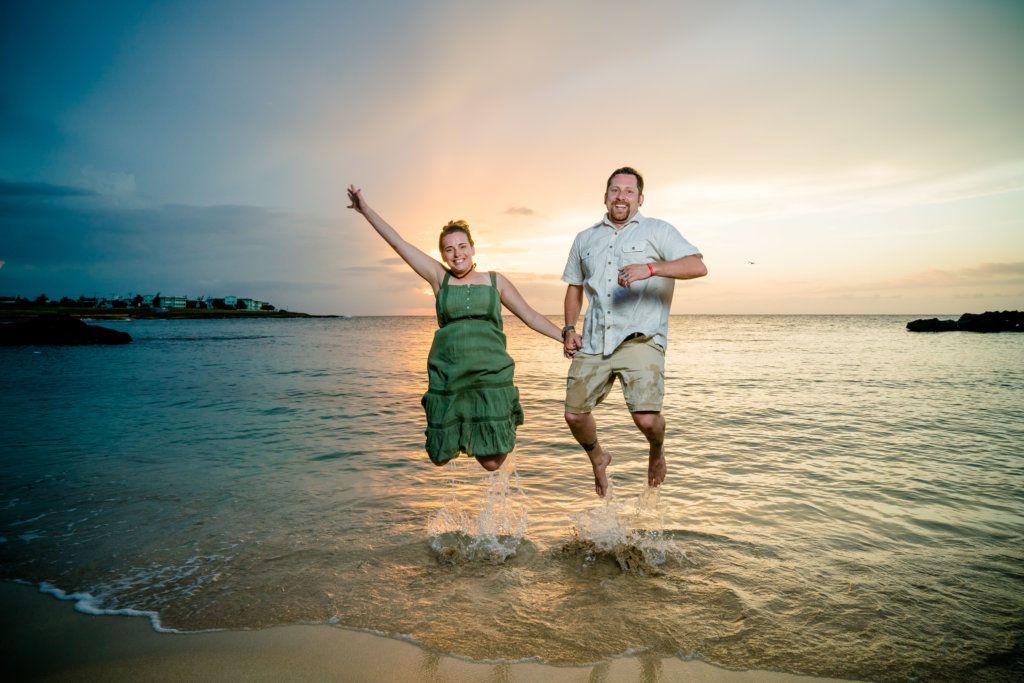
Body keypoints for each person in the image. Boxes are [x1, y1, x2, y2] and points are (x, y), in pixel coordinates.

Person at [347, 185, 567, 472]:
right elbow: (399, 244)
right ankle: (463, 430)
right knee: (439, 457)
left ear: (473, 248)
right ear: (442, 254)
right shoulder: (440, 279)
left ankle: (492, 422)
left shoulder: (494, 281)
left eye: (462, 246)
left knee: (491, 463)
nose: (457, 254)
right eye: (449, 249)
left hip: (489, 375)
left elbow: (530, 315)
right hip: (450, 375)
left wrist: (564, 336)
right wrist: (366, 211)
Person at [561, 167, 707, 497]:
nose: (621, 196)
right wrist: (570, 328)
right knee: (574, 415)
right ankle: (598, 458)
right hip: (596, 339)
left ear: (640, 198)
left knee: (646, 420)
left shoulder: (658, 231)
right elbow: (574, 287)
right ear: (605, 195)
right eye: (615, 190)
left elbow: (697, 265)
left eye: (629, 191)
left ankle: (656, 452)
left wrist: (651, 268)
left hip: (642, 337)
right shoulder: (585, 238)